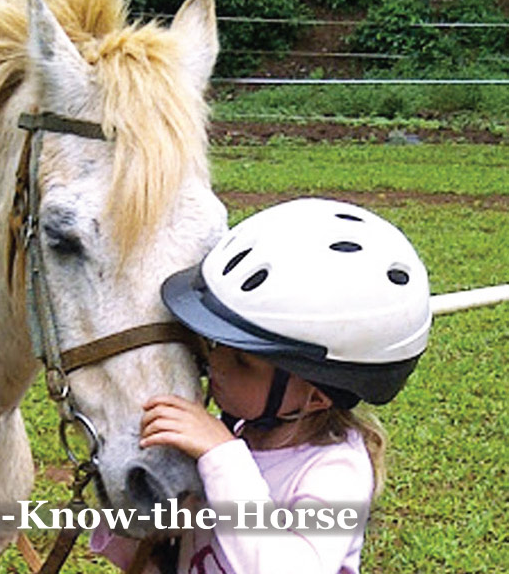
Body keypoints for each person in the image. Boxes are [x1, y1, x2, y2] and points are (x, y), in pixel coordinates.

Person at [91, 198, 432, 574]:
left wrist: (221, 456)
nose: (214, 363)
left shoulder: (335, 471)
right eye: (217, 346)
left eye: (242, 361)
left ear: (316, 396)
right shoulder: (236, 437)